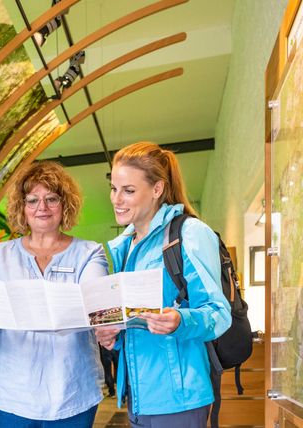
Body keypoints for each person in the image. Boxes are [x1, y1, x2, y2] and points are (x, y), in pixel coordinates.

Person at [0, 161, 107, 427]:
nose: (41, 208)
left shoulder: (89, 252)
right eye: (32, 200)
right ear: (22, 208)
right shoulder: (0, 255)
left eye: (51, 199)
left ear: (65, 204)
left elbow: (93, 306)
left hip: (73, 389)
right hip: (13, 394)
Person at [95, 142, 231, 427]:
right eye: (114, 188)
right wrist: (113, 336)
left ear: (157, 189)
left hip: (178, 398)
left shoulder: (189, 233)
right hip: (138, 397)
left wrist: (180, 320)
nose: (117, 199)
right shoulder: (127, 248)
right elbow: (135, 320)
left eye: (128, 190)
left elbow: (218, 312)